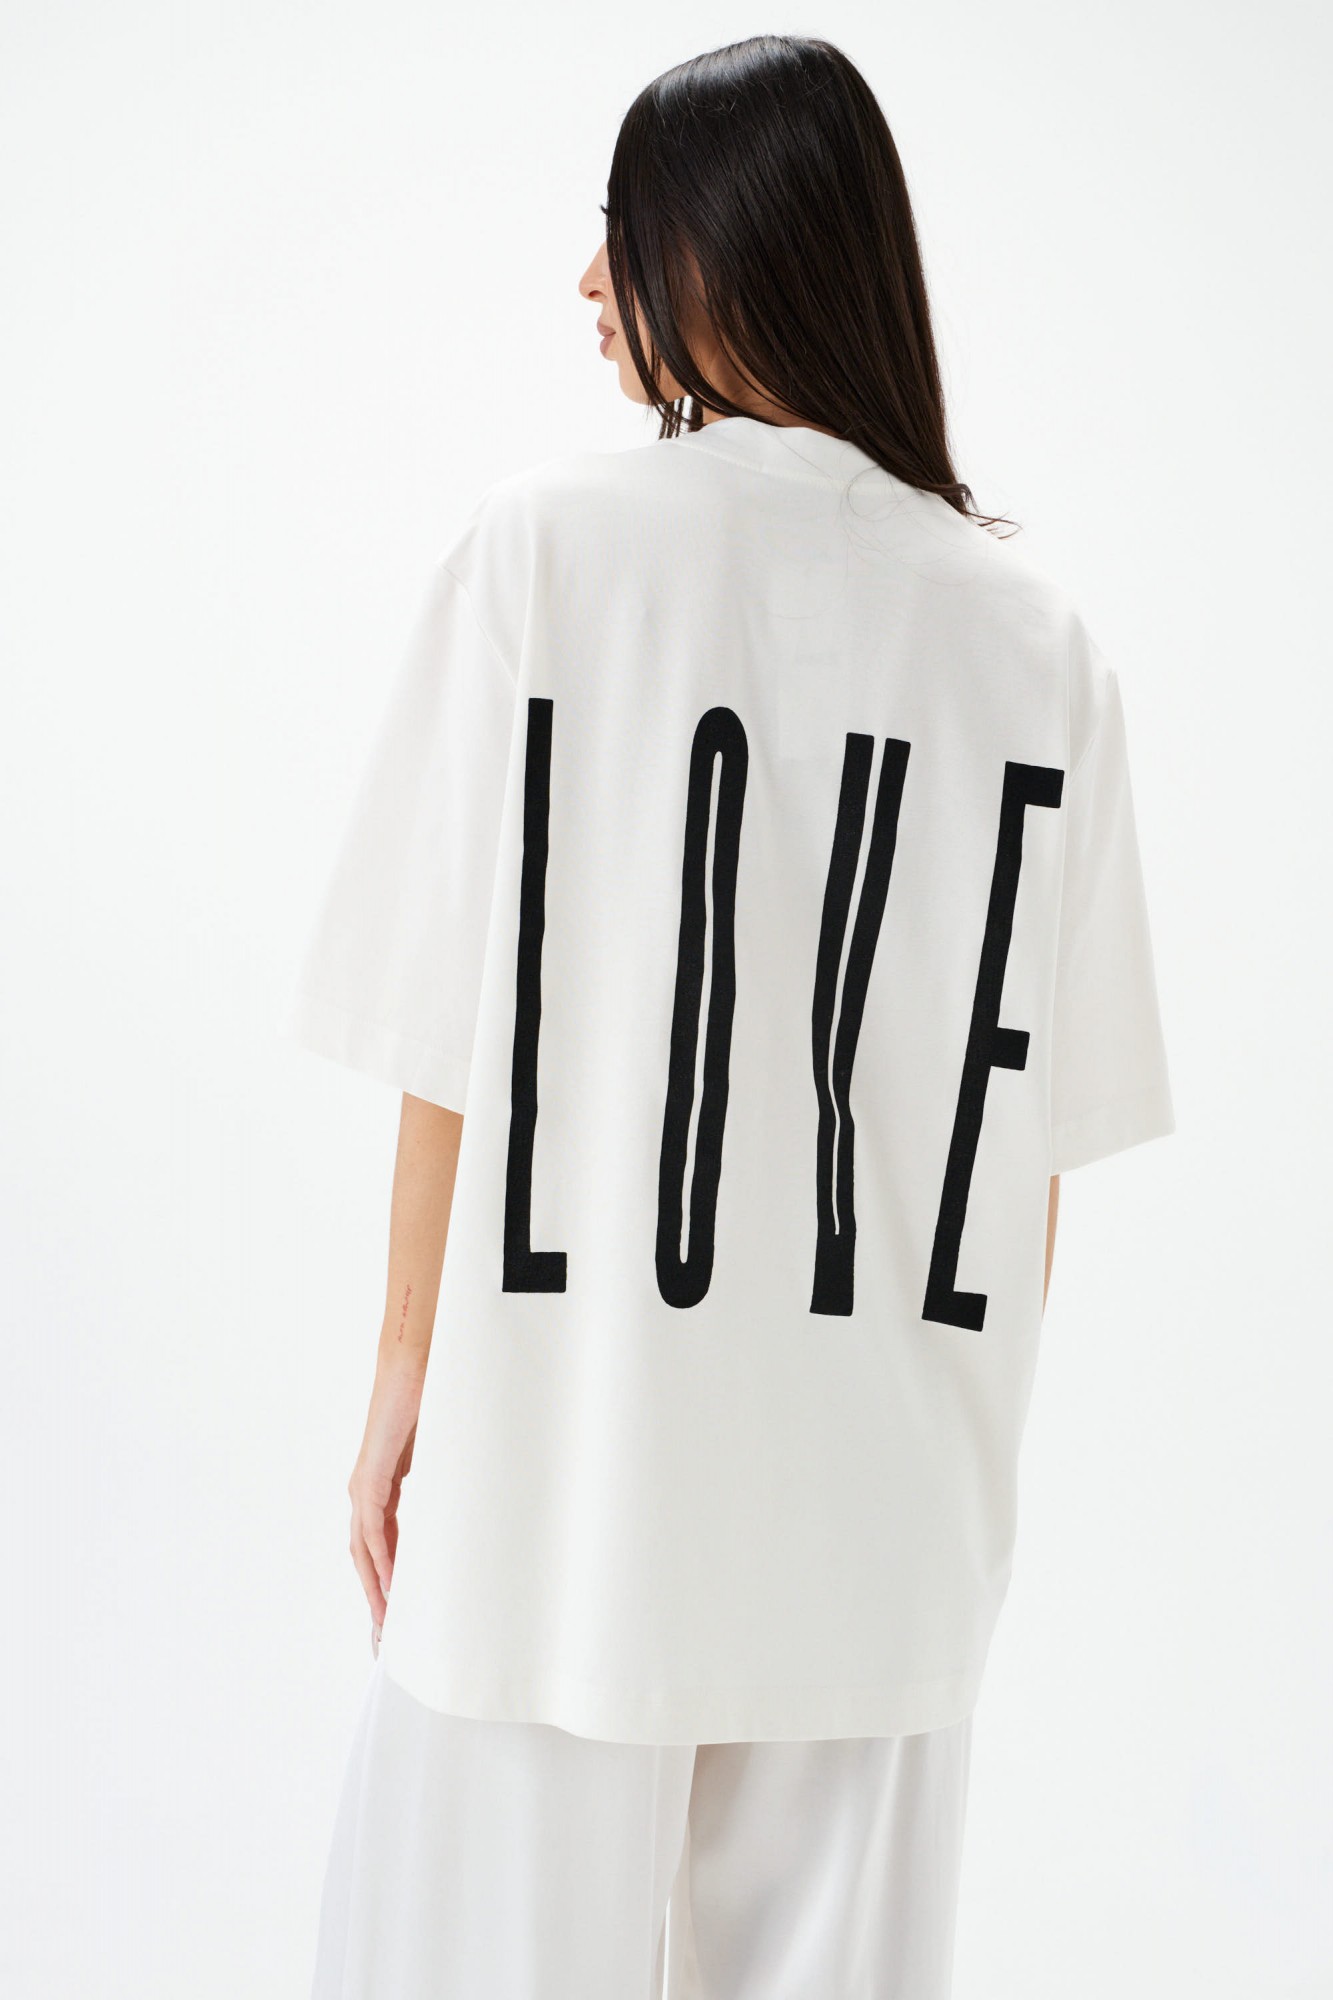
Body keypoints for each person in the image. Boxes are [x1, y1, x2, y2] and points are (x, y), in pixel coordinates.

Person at [286, 32, 1174, 2000]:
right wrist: (948, 1467)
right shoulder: (1042, 649)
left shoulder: (545, 548)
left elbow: (449, 1025)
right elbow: (1029, 1160)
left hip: (569, 1454)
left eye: (621, 229)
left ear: (724, 247)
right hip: (888, 1512)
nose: (586, 280)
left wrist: (403, 1370)